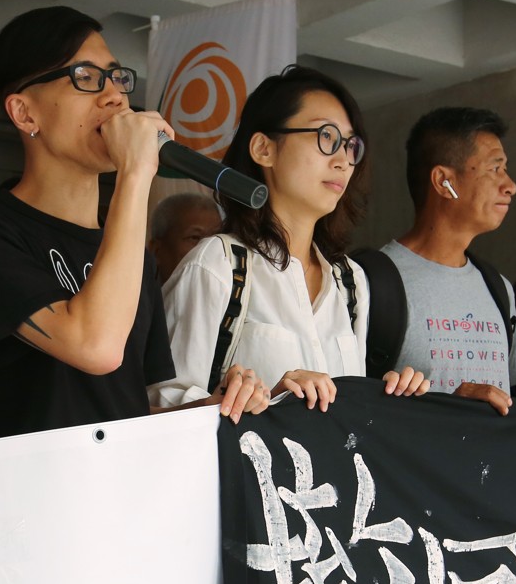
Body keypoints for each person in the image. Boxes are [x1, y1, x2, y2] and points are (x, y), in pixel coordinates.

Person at [0, 7, 265, 442]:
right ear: (24, 113)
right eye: (85, 77)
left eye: (117, 77)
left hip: (120, 498)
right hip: (27, 502)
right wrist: (135, 173)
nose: (114, 96)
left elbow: (123, 405)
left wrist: (209, 409)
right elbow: (95, 347)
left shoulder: (131, 253)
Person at [152, 66, 429, 412]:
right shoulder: (218, 264)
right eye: (326, 137)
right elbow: (156, 410)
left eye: (351, 145)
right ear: (263, 149)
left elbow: (349, 419)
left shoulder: (350, 282)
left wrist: (392, 399)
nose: (344, 160)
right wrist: (261, 404)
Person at [357, 107, 516, 424]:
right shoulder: (366, 279)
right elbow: (346, 407)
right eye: (495, 169)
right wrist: (451, 407)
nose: (510, 185)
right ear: (443, 181)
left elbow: (510, 401)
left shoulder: (498, 288)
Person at [148, 192, 221, 284]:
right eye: (195, 237)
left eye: (216, 238)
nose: (209, 249)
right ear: (156, 251)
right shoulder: (134, 295)